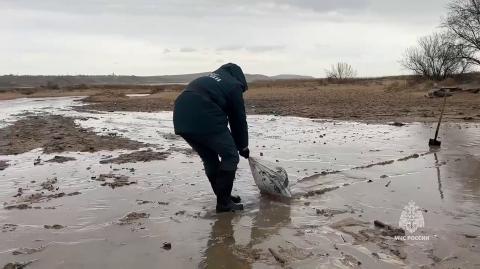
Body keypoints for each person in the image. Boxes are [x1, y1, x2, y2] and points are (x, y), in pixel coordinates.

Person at [173, 63, 250, 213]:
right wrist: (243, 146)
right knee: (230, 156)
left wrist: (240, 144)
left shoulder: (209, 79)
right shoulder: (233, 85)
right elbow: (238, 119)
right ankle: (223, 203)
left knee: (209, 158)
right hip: (203, 114)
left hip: (181, 119)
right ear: (240, 77)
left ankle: (224, 198)